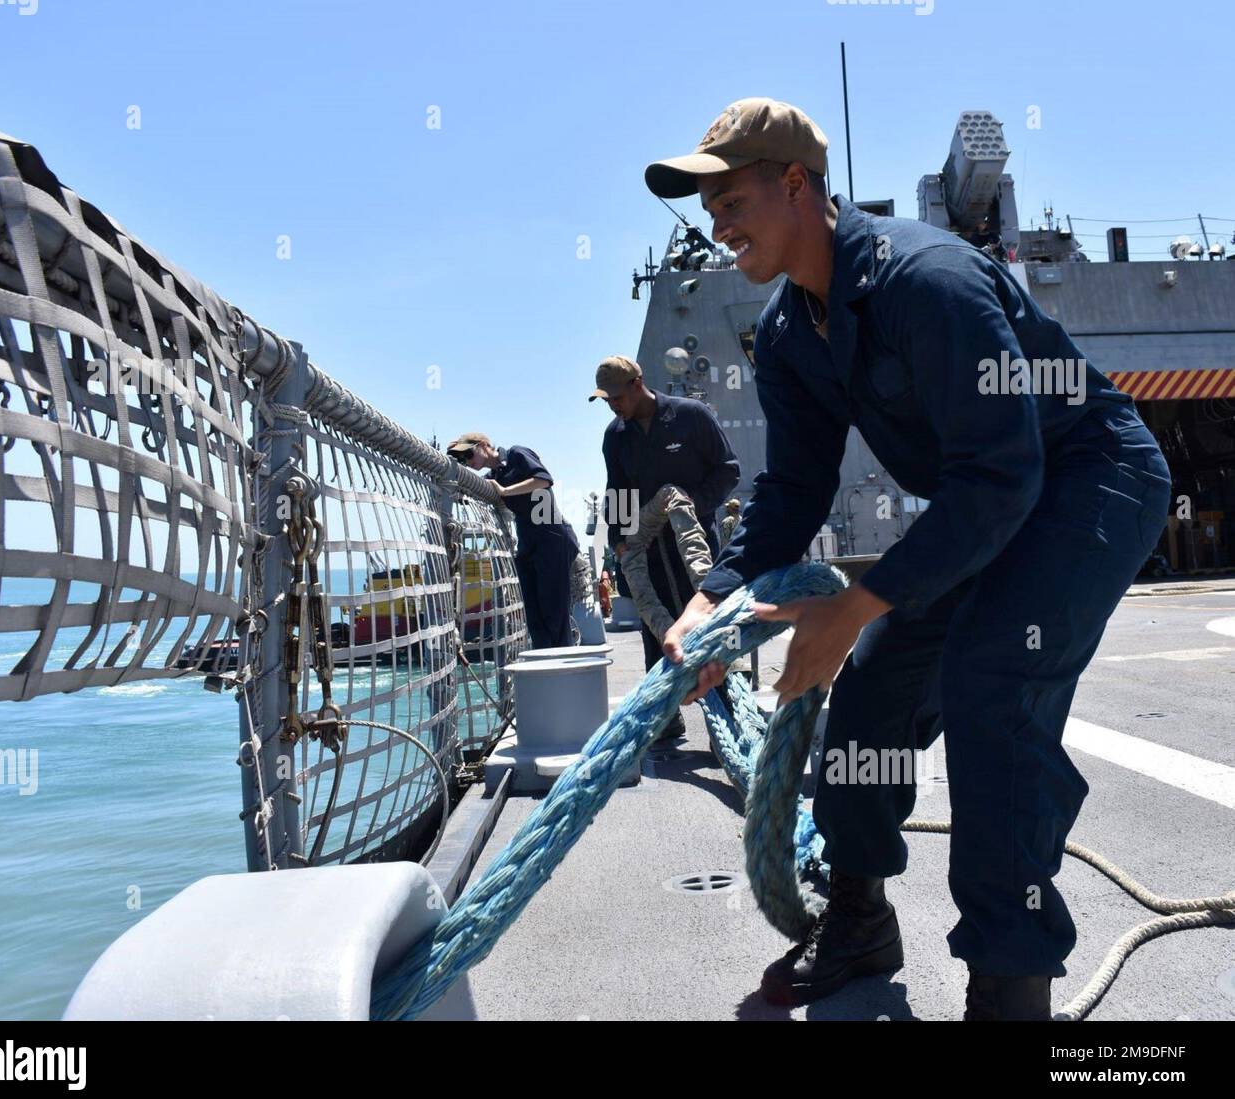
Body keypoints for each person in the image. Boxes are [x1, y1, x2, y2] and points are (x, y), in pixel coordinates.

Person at [647, 98, 1171, 1020]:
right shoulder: (784, 334)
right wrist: (713, 599)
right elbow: (793, 495)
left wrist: (857, 605)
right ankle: (858, 918)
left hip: (1084, 478)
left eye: (729, 201)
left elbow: (1007, 472)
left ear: (797, 184)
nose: (715, 225)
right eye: (709, 210)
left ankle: (1012, 986)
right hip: (983, 500)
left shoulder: (927, 281)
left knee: (990, 683)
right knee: (876, 696)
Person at [593, 356, 740, 737]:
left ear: (637, 383)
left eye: (617, 397)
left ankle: (728, 713)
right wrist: (621, 543)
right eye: (607, 401)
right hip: (649, 549)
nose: (613, 406)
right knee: (653, 627)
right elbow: (619, 491)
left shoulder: (691, 416)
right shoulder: (616, 435)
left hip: (695, 545)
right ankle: (664, 718)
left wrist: (690, 507)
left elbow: (728, 469)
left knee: (708, 624)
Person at [446, 433, 580, 651]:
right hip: (529, 545)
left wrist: (506, 491)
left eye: (469, 454)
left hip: (552, 539)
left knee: (555, 613)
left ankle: (564, 672)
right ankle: (546, 668)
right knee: (534, 617)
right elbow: (477, 488)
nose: (469, 462)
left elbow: (544, 479)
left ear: (483, 446)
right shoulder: (493, 476)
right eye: (463, 461)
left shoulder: (517, 454)